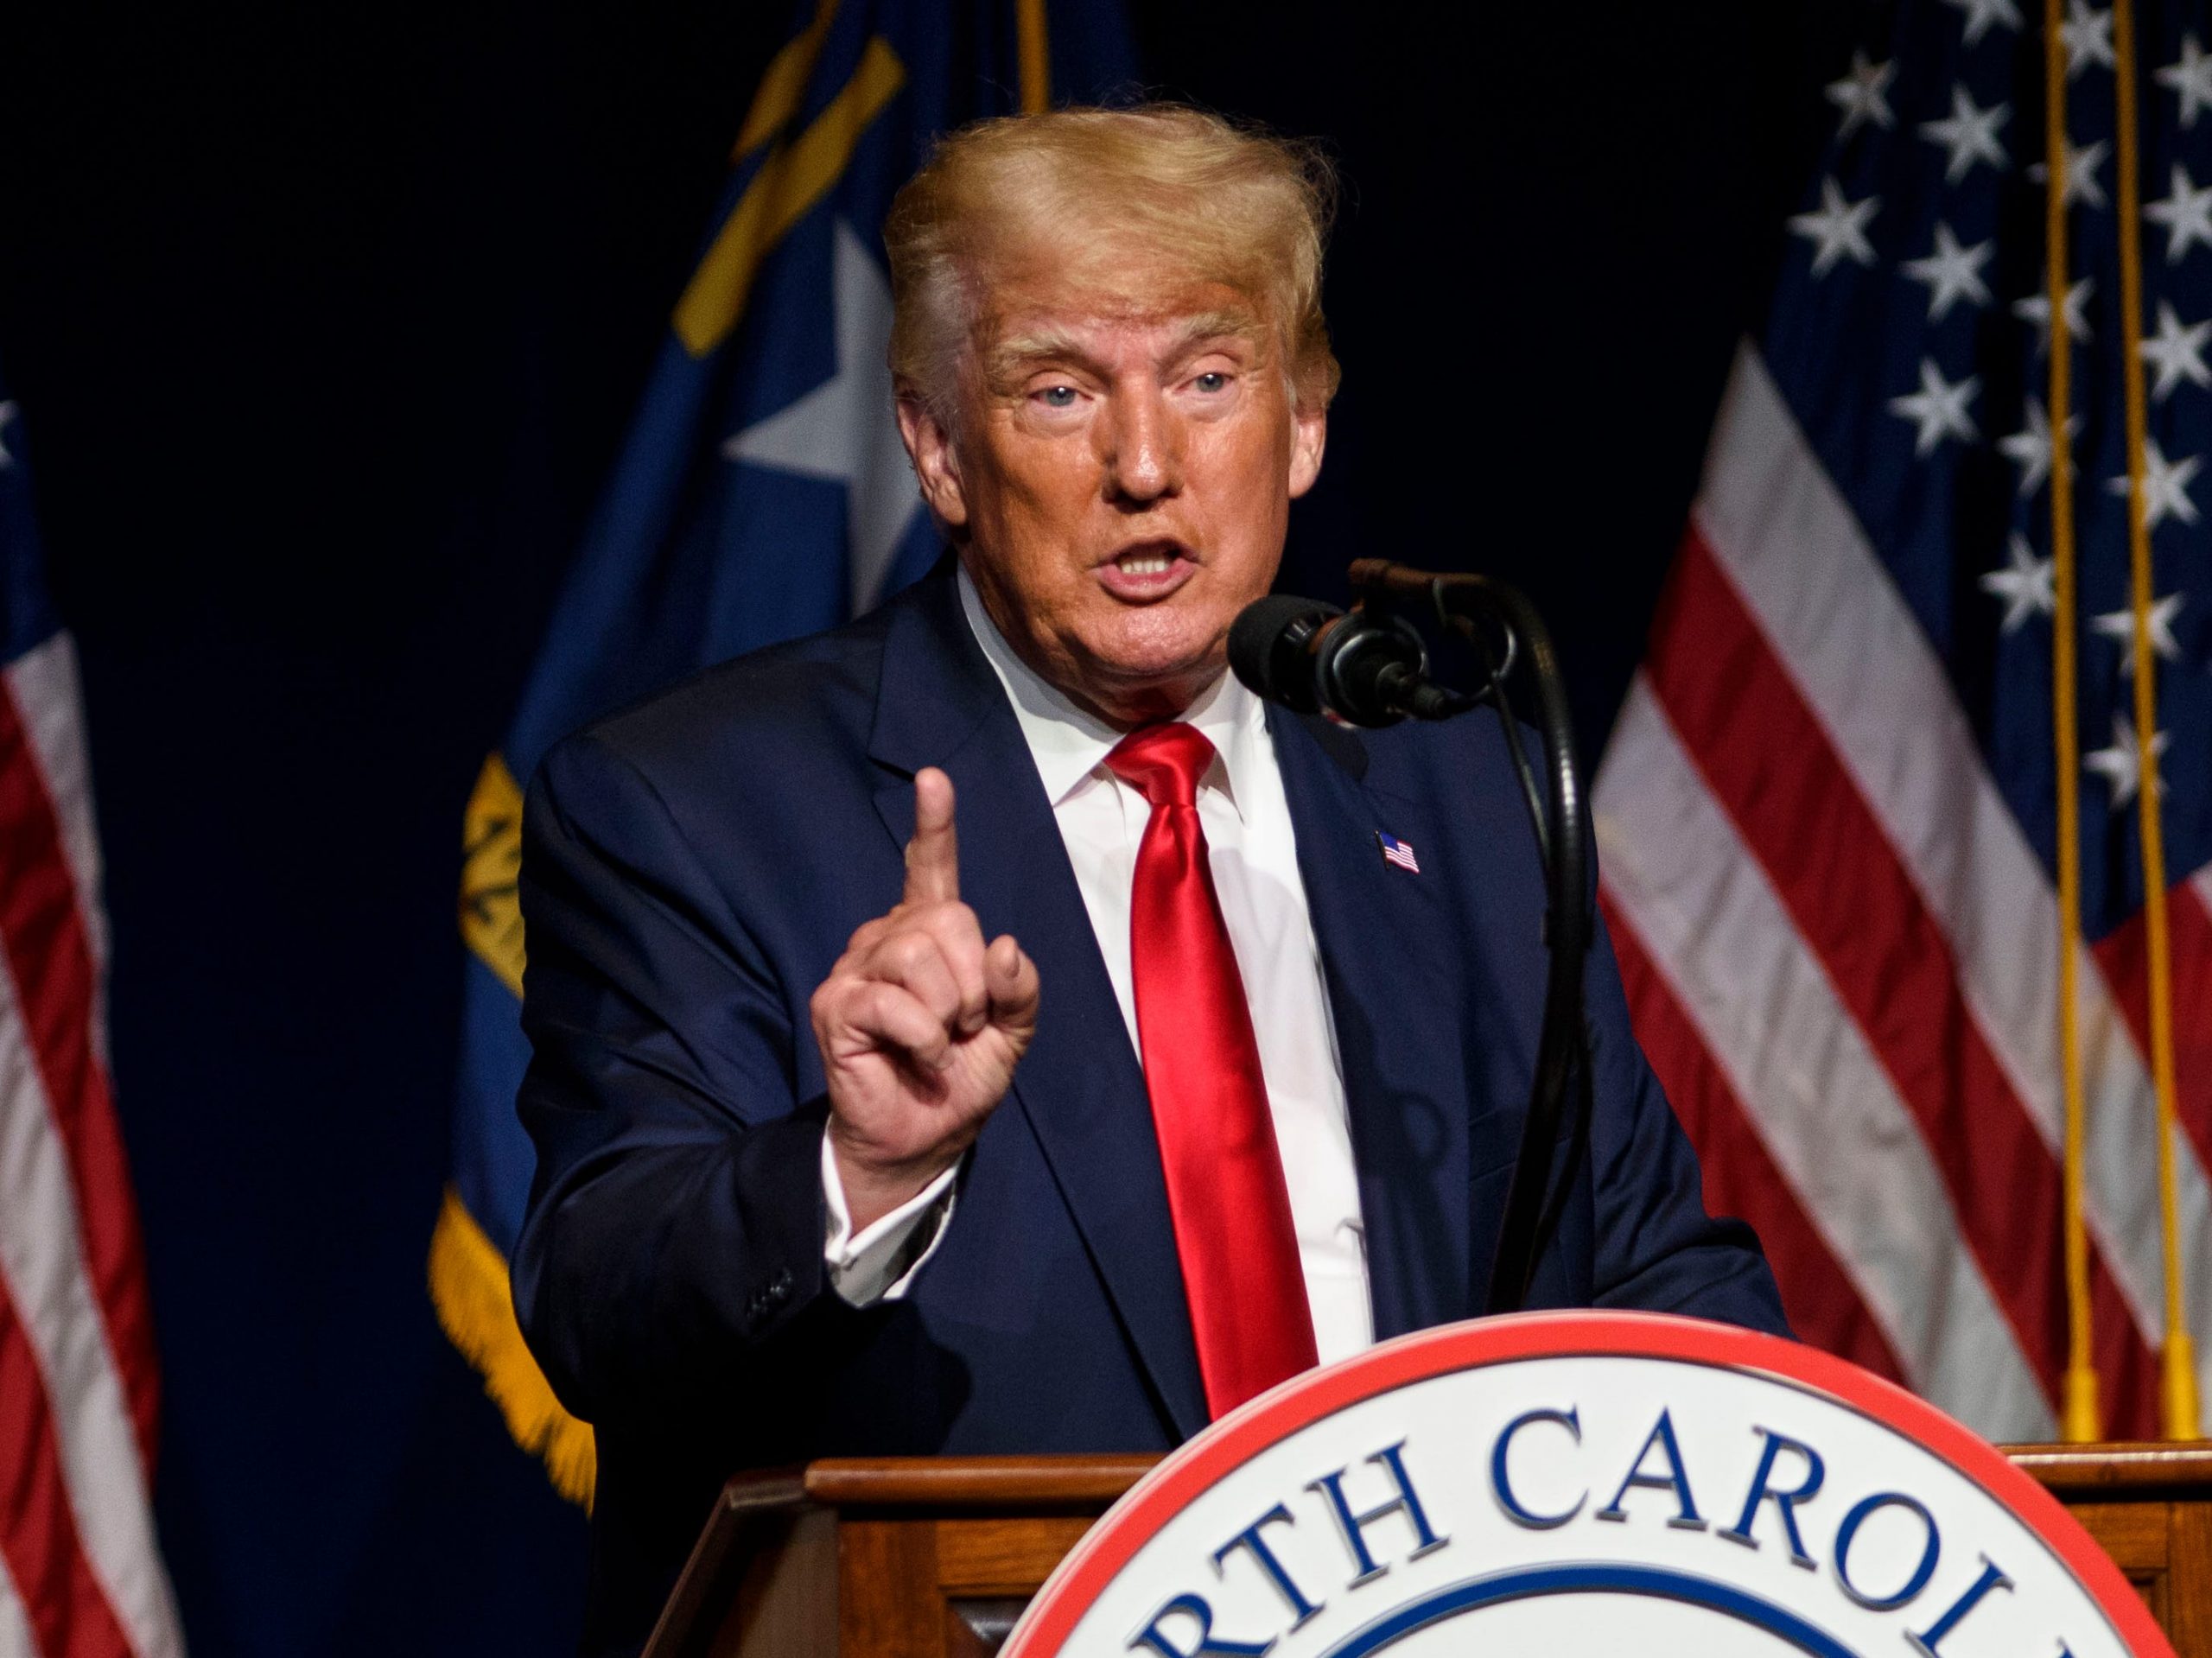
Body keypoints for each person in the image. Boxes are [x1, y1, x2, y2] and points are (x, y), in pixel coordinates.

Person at [512, 105, 1787, 1655]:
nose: (1143, 466)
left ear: (1304, 420)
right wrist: (861, 1170)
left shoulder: (1462, 785)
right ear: (937, 447)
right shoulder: (695, 806)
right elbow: (601, 1309)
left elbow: (1648, 1271)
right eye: (1059, 391)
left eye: (1207, 378)